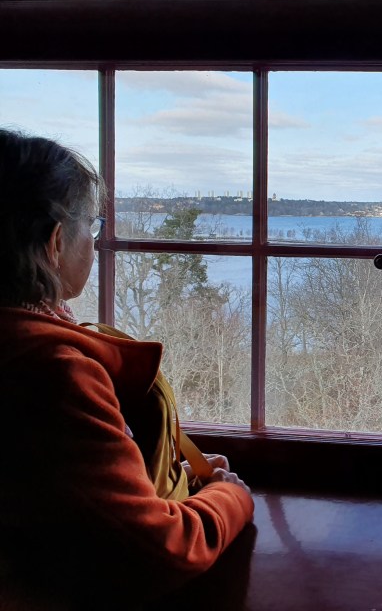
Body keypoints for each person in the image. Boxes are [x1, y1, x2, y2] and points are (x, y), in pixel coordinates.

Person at [0, 128, 255, 608]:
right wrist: (229, 497)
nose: (96, 243)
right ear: (56, 242)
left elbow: (54, 500)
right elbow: (161, 550)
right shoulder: (52, 373)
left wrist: (162, 482)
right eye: (91, 227)